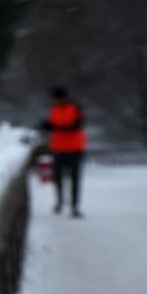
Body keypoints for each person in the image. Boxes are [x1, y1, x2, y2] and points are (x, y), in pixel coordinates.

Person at [42, 86, 87, 217]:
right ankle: (59, 202)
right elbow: (51, 124)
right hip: (58, 148)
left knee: (75, 178)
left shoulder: (76, 109)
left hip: (75, 148)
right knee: (58, 178)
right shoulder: (53, 110)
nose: (55, 101)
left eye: (56, 99)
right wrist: (47, 126)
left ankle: (74, 206)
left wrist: (54, 127)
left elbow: (76, 125)